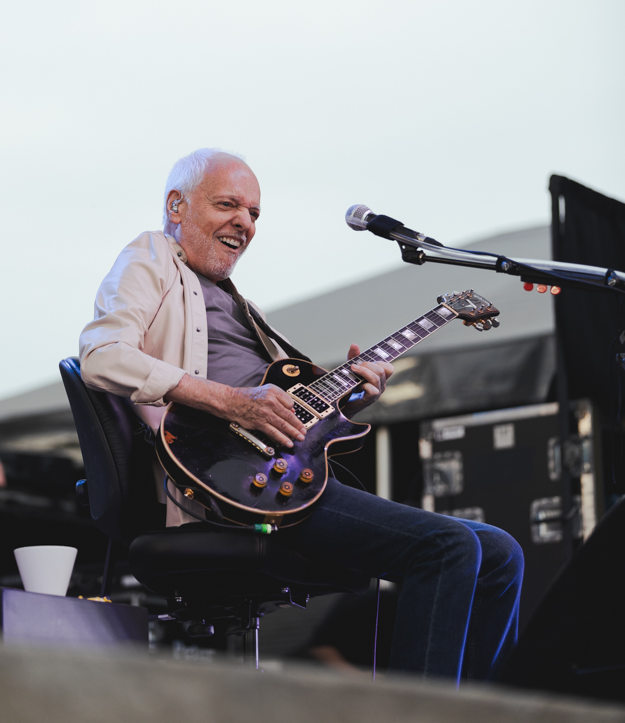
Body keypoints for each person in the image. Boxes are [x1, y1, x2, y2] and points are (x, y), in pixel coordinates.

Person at [79, 148, 523, 682]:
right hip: (227, 478)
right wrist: (232, 401)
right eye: (228, 205)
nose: (244, 223)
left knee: (501, 553)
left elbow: (286, 405)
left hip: (284, 471)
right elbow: (102, 357)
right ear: (177, 205)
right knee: (450, 548)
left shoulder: (240, 305)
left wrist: (346, 401)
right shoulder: (150, 257)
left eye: (254, 214)